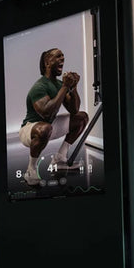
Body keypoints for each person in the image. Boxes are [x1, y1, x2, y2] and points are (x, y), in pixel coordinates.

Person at [18, 48, 89, 186]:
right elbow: (46, 113)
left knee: (82, 117)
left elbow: (74, 110)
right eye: (58, 56)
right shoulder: (39, 86)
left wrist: (73, 88)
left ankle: (59, 159)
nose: (62, 58)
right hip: (31, 129)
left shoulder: (59, 84)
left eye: (63, 56)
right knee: (45, 128)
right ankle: (30, 169)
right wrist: (65, 87)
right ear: (47, 62)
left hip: (49, 126)